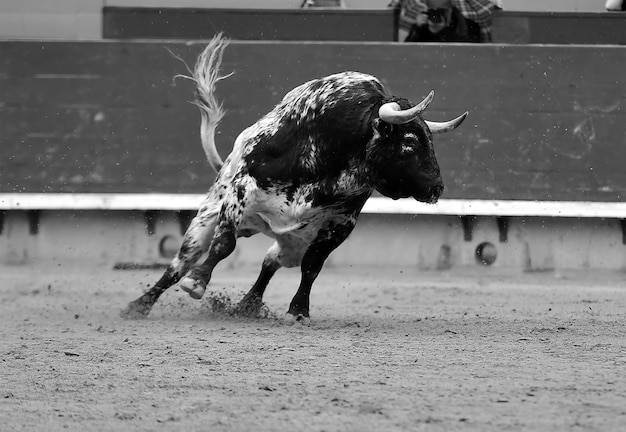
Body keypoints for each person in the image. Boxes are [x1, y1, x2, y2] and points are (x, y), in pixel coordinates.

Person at [390, 0, 502, 43]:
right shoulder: (423, 25)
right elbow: (407, 53)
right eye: (432, 9)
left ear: (451, 5)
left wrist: (442, 31)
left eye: (442, 10)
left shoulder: (465, 21)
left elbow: (470, 49)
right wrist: (416, 27)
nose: (437, 13)